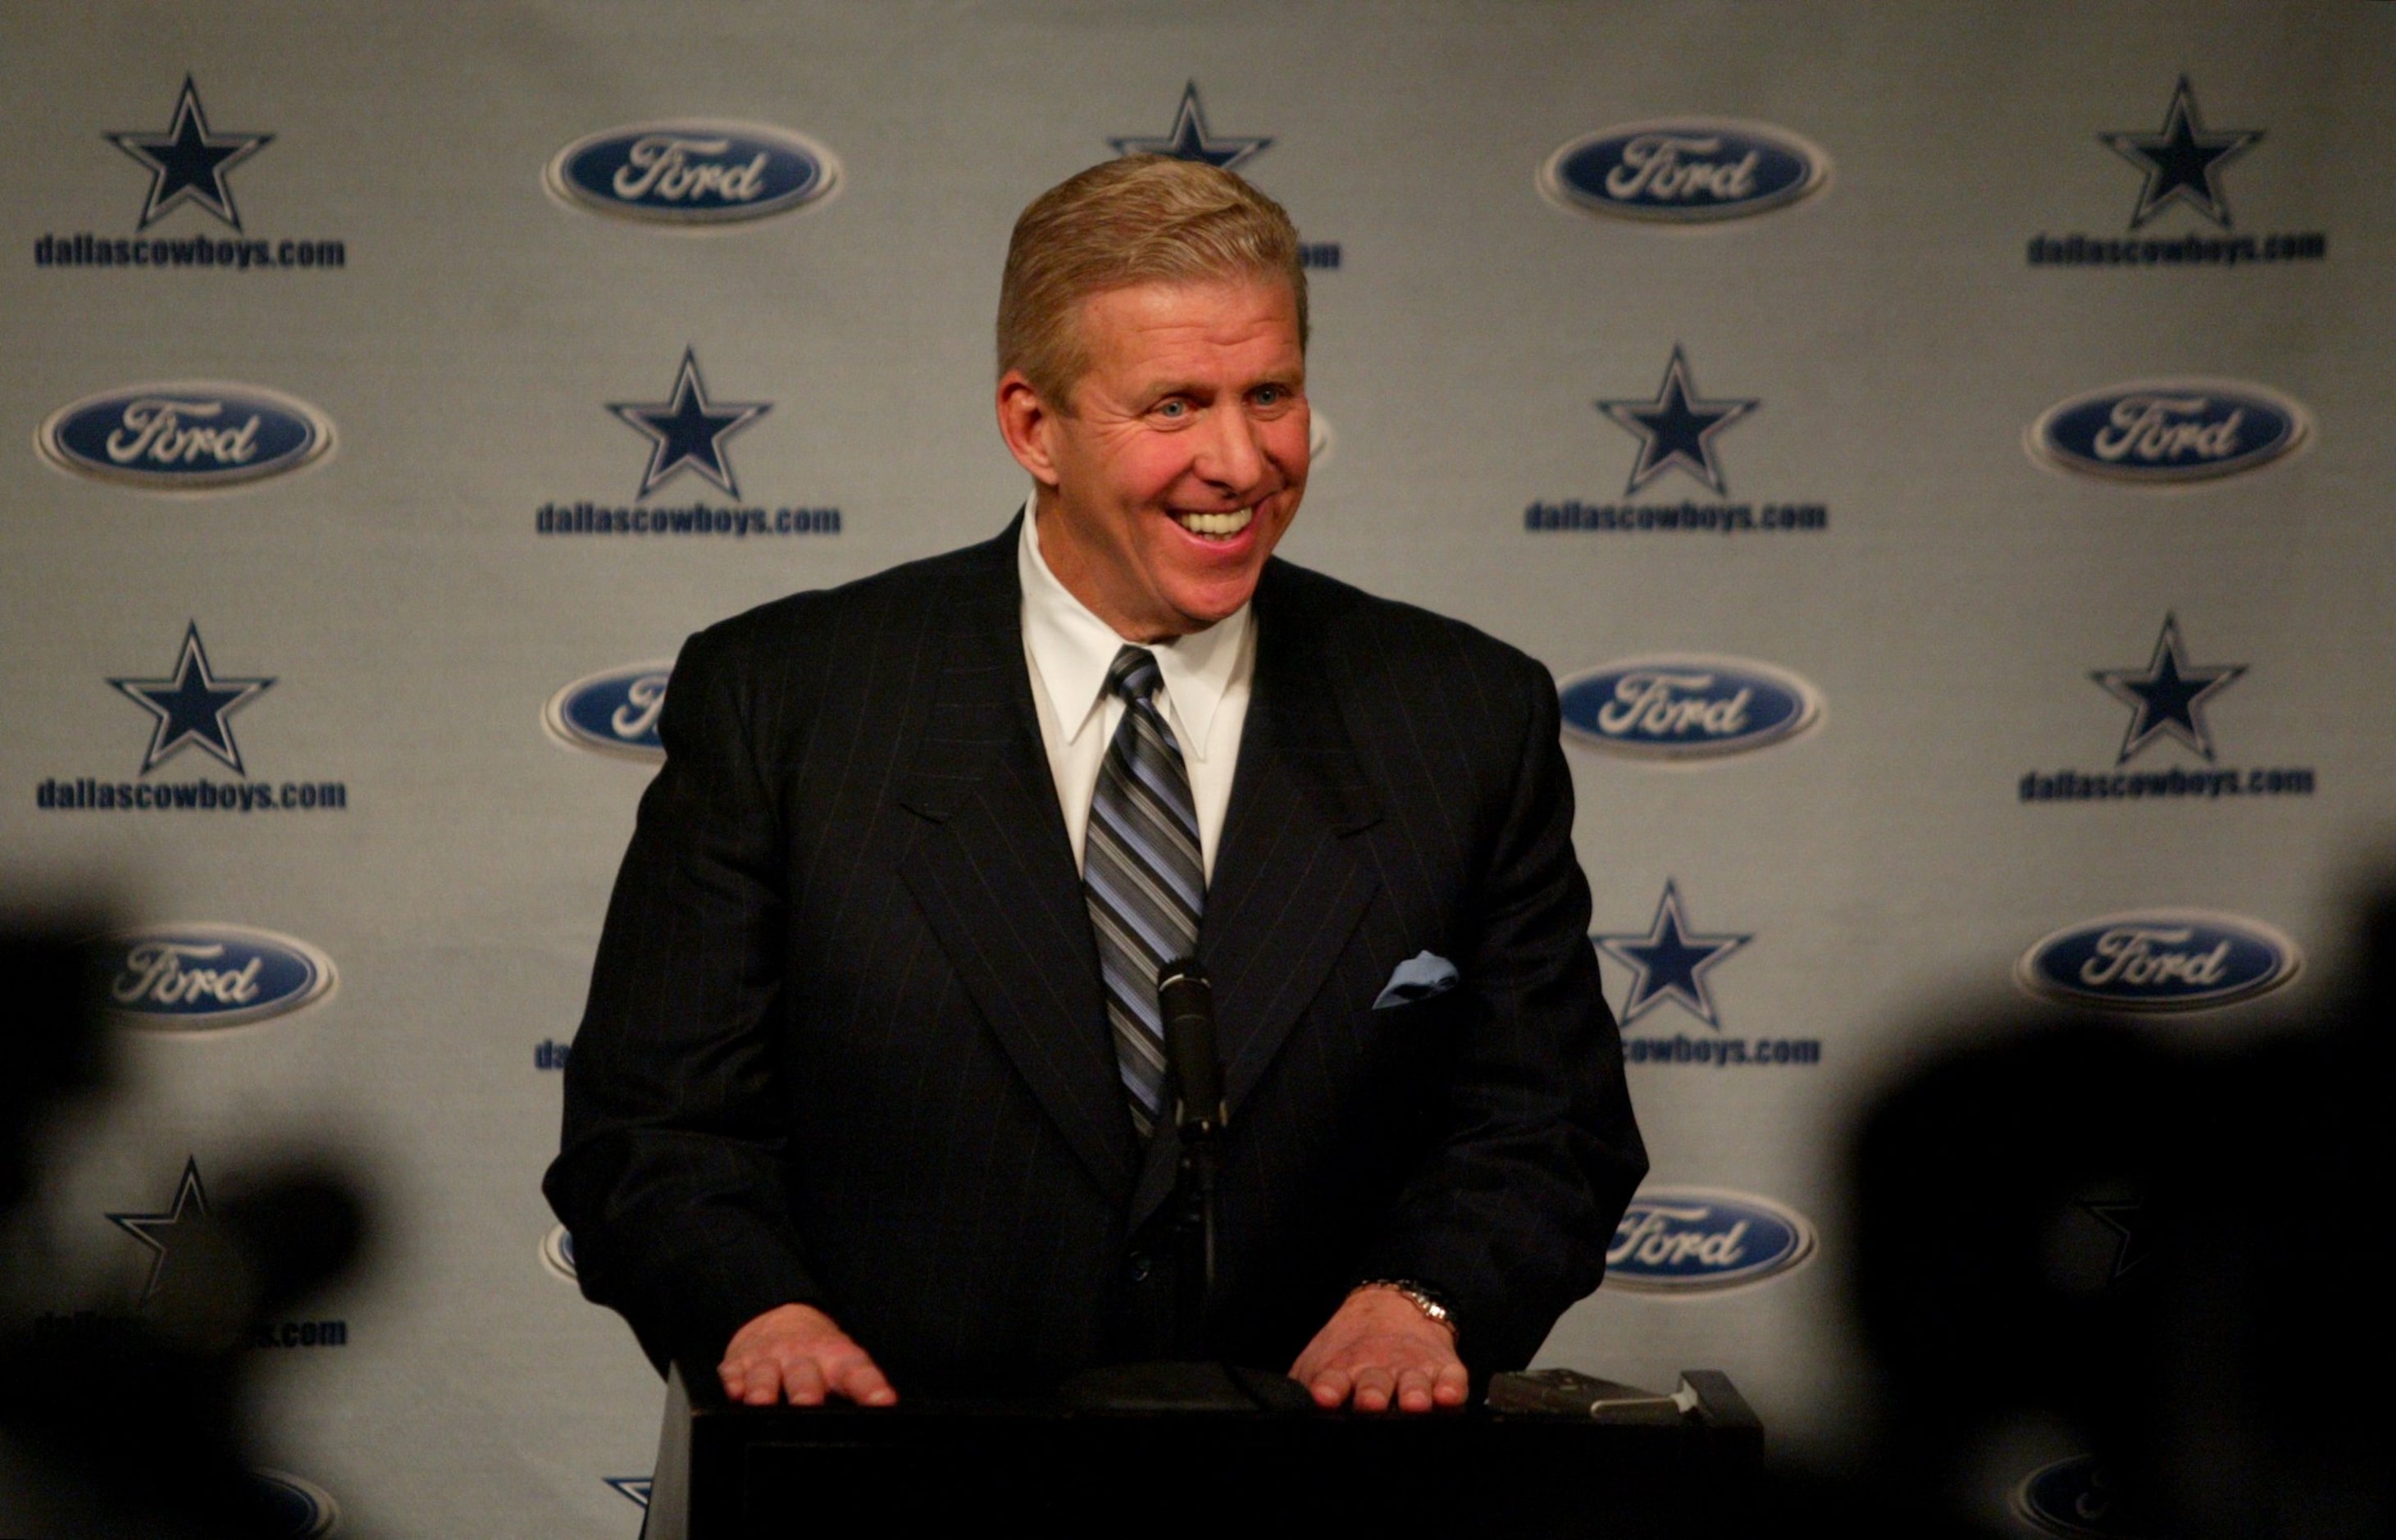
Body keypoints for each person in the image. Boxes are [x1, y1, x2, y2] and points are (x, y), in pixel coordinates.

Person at [544, 155, 1645, 1416]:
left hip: (1324, 1496)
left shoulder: (1460, 712)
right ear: (1032, 426)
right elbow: (652, 1125)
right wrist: (757, 1309)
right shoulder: (787, 700)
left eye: (1270, 393)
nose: (1241, 461)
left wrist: (1426, 1296)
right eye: (1174, 405)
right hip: (896, 1487)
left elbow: (1546, 1121)